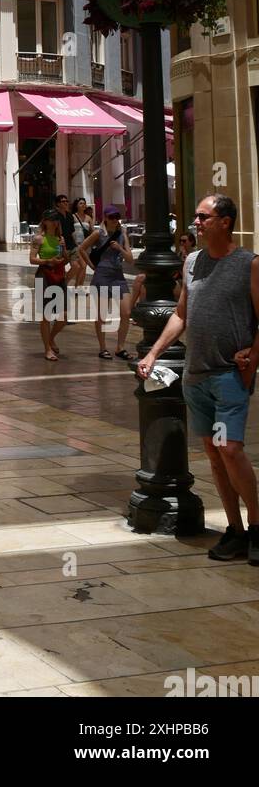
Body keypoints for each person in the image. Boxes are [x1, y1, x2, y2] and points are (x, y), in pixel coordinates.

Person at [138, 195, 259, 563]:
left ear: (225, 221)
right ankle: (235, 531)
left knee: (230, 449)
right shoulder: (192, 262)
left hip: (228, 376)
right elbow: (180, 314)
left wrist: (254, 353)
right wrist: (154, 351)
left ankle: (257, 526)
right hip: (196, 376)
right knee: (214, 454)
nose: (197, 223)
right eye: (196, 217)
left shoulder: (248, 264)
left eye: (203, 217)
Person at [80, 206, 135, 359]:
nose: (114, 220)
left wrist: (120, 249)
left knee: (126, 312)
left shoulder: (122, 233)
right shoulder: (99, 233)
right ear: (105, 218)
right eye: (111, 217)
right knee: (102, 315)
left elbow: (130, 259)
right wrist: (92, 266)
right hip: (102, 275)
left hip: (118, 275)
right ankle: (103, 347)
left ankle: (120, 347)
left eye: (116, 216)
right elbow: (82, 249)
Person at [30, 211, 68, 361]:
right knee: (45, 316)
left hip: (59, 274)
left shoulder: (60, 238)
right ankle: (47, 349)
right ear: (45, 222)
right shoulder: (39, 239)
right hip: (44, 275)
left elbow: (65, 259)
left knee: (63, 316)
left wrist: (64, 250)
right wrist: (47, 261)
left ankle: (51, 338)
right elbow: (32, 259)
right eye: (51, 220)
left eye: (56, 220)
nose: (54, 222)